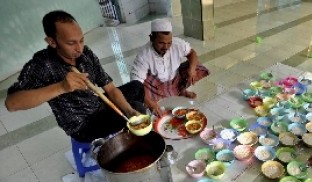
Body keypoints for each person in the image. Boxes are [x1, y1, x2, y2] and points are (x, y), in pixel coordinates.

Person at [5, 10, 145, 142]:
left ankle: (127, 128)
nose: (79, 48)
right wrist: (61, 87)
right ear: (52, 42)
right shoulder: (42, 64)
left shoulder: (86, 54)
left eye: (81, 40)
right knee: (138, 107)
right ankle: (125, 141)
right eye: (71, 43)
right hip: (83, 125)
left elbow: (111, 89)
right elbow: (12, 104)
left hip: (98, 105)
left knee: (137, 88)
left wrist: (128, 111)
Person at [130, 18, 209, 115]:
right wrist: (150, 103)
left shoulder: (177, 43)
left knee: (197, 66)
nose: (166, 47)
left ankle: (180, 91)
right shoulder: (143, 55)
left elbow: (192, 53)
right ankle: (164, 96)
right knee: (140, 90)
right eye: (161, 43)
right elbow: (136, 83)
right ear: (151, 38)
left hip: (175, 79)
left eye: (169, 43)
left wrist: (191, 70)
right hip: (155, 87)